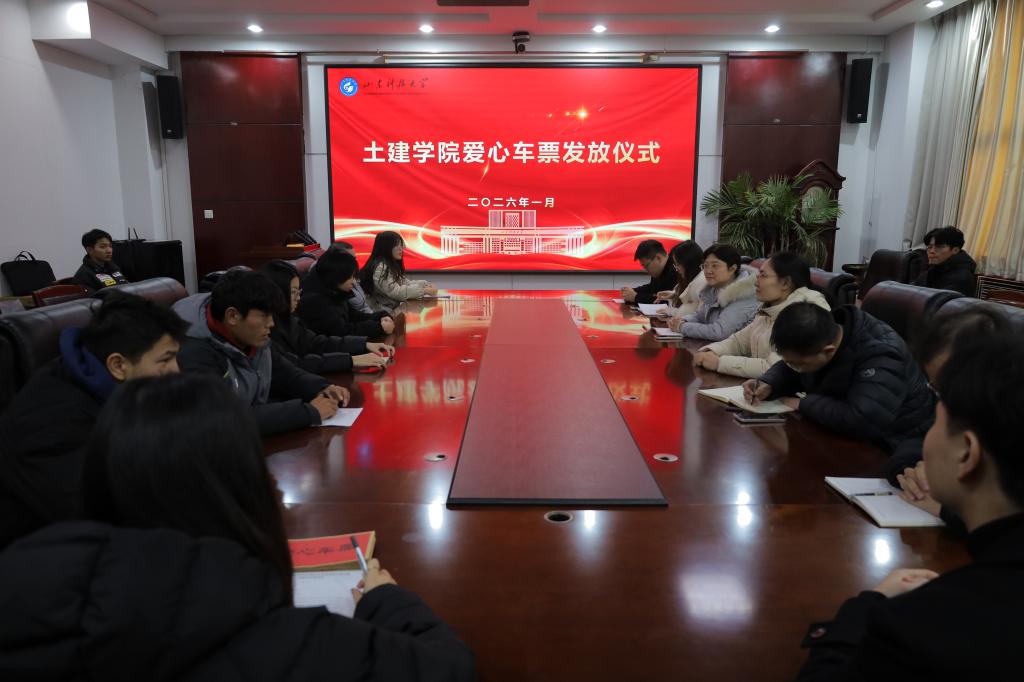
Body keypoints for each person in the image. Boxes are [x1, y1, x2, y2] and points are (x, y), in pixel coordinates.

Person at [0, 374, 477, 681]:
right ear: (244, 482)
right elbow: (450, 669)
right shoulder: (280, 638)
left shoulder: (21, 581)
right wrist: (384, 599)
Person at [794, 334, 1024, 681]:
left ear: (966, 453)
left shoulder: (931, 625)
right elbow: (912, 438)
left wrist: (866, 606)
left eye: (937, 420)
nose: (927, 433)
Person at [0, 293, 186, 549]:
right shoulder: (51, 425)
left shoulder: (120, 387)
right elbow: (97, 514)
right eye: (165, 359)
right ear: (118, 365)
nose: (176, 370)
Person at [744, 302, 935, 483]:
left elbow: (862, 420)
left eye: (798, 364)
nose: (794, 367)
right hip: (845, 434)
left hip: (896, 445)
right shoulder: (823, 336)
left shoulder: (881, 354)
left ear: (828, 351)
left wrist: (802, 403)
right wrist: (769, 383)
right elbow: (796, 365)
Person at [173, 270, 350, 436]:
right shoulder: (194, 352)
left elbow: (285, 373)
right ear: (232, 316)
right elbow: (222, 418)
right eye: (264, 316)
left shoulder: (249, 337)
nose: (271, 323)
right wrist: (306, 412)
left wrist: (321, 388)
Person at [895, 303, 1014, 533]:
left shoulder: (1008, 420)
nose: (942, 401)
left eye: (947, 387)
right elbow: (916, 435)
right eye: (937, 387)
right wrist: (913, 469)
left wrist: (948, 511)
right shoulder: (955, 407)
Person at [692, 252, 830, 378]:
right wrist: (711, 351)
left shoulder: (807, 311)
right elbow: (739, 342)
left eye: (763, 276)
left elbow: (779, 366)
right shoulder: (769, 307)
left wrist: (719, 363)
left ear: (785, 283)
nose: (756, 282)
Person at [262, 260, 392, 373]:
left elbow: (317, 342)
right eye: (293, 292)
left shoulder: (289, 318)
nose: (298, 298)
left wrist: (363, 344)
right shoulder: (267, 329)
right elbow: (296, 364)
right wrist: (351, 360)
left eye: (298, 292)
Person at [667, 243, 758, 341]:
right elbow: (700, 316)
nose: (708, 271)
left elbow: (719, 332)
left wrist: (682, 327)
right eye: (705, 266)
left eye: (715, 266)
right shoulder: (714, 288)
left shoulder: (745, 293)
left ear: (732, 269)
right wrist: (683, 319)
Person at [299, 248, 396, 338]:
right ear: (337, 277)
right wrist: (378, 327)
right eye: (350, 277)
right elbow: (342, 331)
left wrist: (380, 317)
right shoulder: (314, 301)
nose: (353, 282)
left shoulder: (335, 291)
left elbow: (353, 315)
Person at [360, 231, 437, 312]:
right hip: (381, 313)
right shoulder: (381, 267)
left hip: (389, 310)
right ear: (386, 247)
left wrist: (425, 284)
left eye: (401, 245)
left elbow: (404, 282)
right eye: (397, 245)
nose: (401, 249)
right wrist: (423, 291)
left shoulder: (388, 265)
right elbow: (396, 292)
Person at [912, 226, 976, 296]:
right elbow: (910, 290)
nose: (932, 251)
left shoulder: (962, 278)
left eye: (939, 247)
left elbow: (937, 301)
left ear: (955, 250)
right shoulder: (935, 269)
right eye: (929, 247)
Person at [654, 240, 705, 315]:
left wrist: (671, 311)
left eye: (678, 264)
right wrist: (675, 295)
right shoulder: (694, 280)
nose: (676, 269)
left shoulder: (702, 284)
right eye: (675, 265)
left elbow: (696, 316)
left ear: (689, 263)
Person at [622, 240, 677, 304]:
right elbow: (651, 288)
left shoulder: (675, 269)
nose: (645, 270)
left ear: (658, 258)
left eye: (646, 266)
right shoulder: (659, 269)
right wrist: (632, 291)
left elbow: (667, 300)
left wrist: (635, 297)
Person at [333, 240, 377, 315]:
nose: (354, 262)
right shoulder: (338, 286)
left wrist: (375, 316)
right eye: (350, 259)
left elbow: (364, 306)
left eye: (354, 258)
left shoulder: (354, 274)